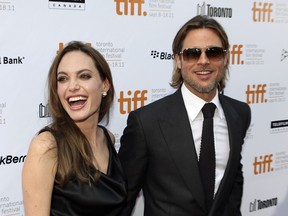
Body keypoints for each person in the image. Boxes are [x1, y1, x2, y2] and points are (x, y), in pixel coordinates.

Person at [118, 15, 251, 216]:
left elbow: (233, 177)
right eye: (192, 54)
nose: (203, 61)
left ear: (225, 58)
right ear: (178, 60)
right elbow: (123, 199)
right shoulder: (146, 123)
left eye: (213, 52)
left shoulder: (239, 114)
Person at [22, 41, 127, 216]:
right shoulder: (47, 146)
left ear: (105, 85)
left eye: (84, 76)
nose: (72, 86)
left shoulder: (108, 138)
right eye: (63, 78)